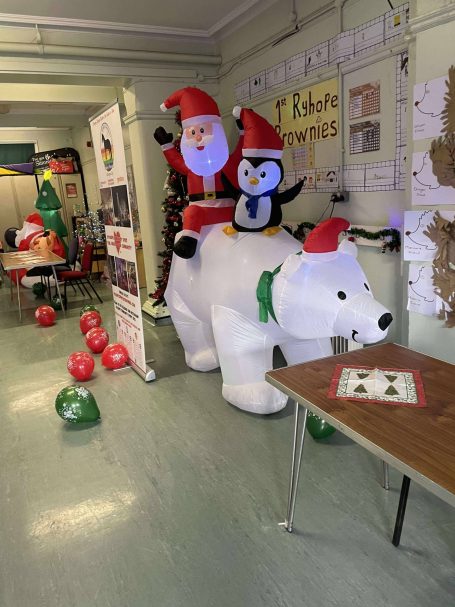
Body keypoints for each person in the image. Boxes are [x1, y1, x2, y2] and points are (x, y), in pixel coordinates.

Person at [154, 87, 244, 259]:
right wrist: (166, 145)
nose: (198, 138)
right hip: (200, 213)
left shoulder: (226, 163)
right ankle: (189, 240)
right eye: (193, 133)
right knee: (191, 212)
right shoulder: (191, 166)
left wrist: (243, 132)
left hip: (228, 211)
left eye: (202, 131)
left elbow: (241, 152)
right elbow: (176, 161)